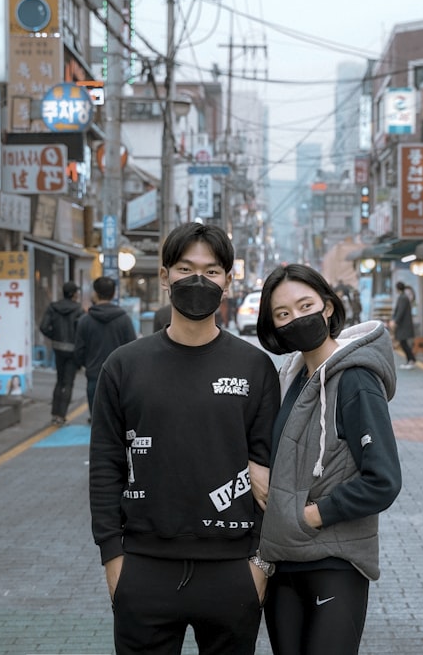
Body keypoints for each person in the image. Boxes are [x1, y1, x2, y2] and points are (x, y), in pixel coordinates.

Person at [89, 222, 281, 655]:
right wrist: (113, 556)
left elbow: (271, 470)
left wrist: (259, 565)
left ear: (228, 282)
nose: (198, 280)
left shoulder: (255, 367)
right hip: (143, 567)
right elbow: (106, 464)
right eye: (185, 268)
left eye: (212, 271)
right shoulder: (124, 366)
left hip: (234, 569)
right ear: (164, 277)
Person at [254, 264, 402, 655]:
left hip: (334, 563)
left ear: (329, 307)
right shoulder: (291, 376)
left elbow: (383, 479)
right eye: (283, 313)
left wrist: (311, 516)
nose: (296, 318)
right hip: (285, 564)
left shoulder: (356, 379)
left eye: (306, 305)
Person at [74, 277, 136, 417]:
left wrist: (88, 364)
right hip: (120, 377)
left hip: (94, 375)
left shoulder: (85, 320)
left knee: (97, 421)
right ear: (113, 294)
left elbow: (78, 351)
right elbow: (132, 348)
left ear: (95, 294)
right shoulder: (124, 319)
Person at [39, 281, 85, 425]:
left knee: (59, 381)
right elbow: (82, 331)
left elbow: (43, 327)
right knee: (68, 383)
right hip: (72, 349)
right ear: (73, 294)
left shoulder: (53, 307)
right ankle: (62, 416)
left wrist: (54, 336)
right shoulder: (79, 310)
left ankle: (54, 414)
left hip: (58, 348)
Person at [390, 281, 416, 369]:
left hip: (403, 325)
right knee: (403, 343)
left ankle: (411, 360)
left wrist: (395, 321)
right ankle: (410, 360)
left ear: (397, 288)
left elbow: (400, 311)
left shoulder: (402, 298)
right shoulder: (403, 297)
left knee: (403, 343)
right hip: (404, 324)